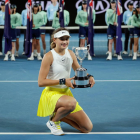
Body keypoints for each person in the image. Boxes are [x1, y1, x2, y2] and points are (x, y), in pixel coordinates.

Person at [37, 27, 95, 135]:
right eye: (61, 39)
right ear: (54, 40)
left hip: (65, 94)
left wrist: (89, 76)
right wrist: (63, 81)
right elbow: (41, 82)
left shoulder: (71, 54)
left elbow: (78, 70)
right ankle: (53, 122)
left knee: (87, 128)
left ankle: (59, 115)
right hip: (51, 95)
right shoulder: (48, 56)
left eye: (66, 39)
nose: (65, 42)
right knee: (71, 103)